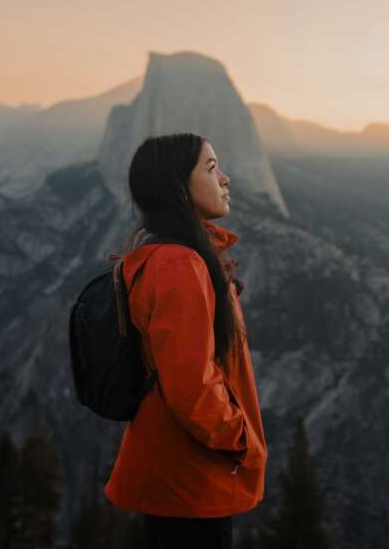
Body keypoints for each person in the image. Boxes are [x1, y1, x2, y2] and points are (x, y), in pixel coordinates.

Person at [104, 133, 268, 549]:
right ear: (178, 188)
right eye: (211, 169)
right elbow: (190, 384)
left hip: (181, 473)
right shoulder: (179, 264)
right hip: (190, 476)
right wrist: (239, 438)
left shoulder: (166, 256)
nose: (225, 179)